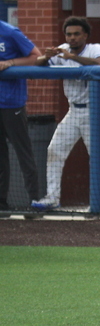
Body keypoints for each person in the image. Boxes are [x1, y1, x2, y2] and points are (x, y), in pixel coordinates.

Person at [31, 17, 100, 212]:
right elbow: (37, 64)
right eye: (69, 34)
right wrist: (47, 56)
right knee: (54, 150)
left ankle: (98, 201)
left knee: (97, 157)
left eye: (76, 34)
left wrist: (70, 57)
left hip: (95, 109)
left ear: (85, 35)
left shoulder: (95, 48)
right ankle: (52, 197)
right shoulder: (63, 49)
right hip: (73, 110)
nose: (72, 38)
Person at [0, 20, 41, 211]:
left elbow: (36, 56)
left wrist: (10, 63)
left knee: (24, 153)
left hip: (12, 103)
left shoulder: (10, 32)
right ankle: (2, 203)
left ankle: (34, 201)